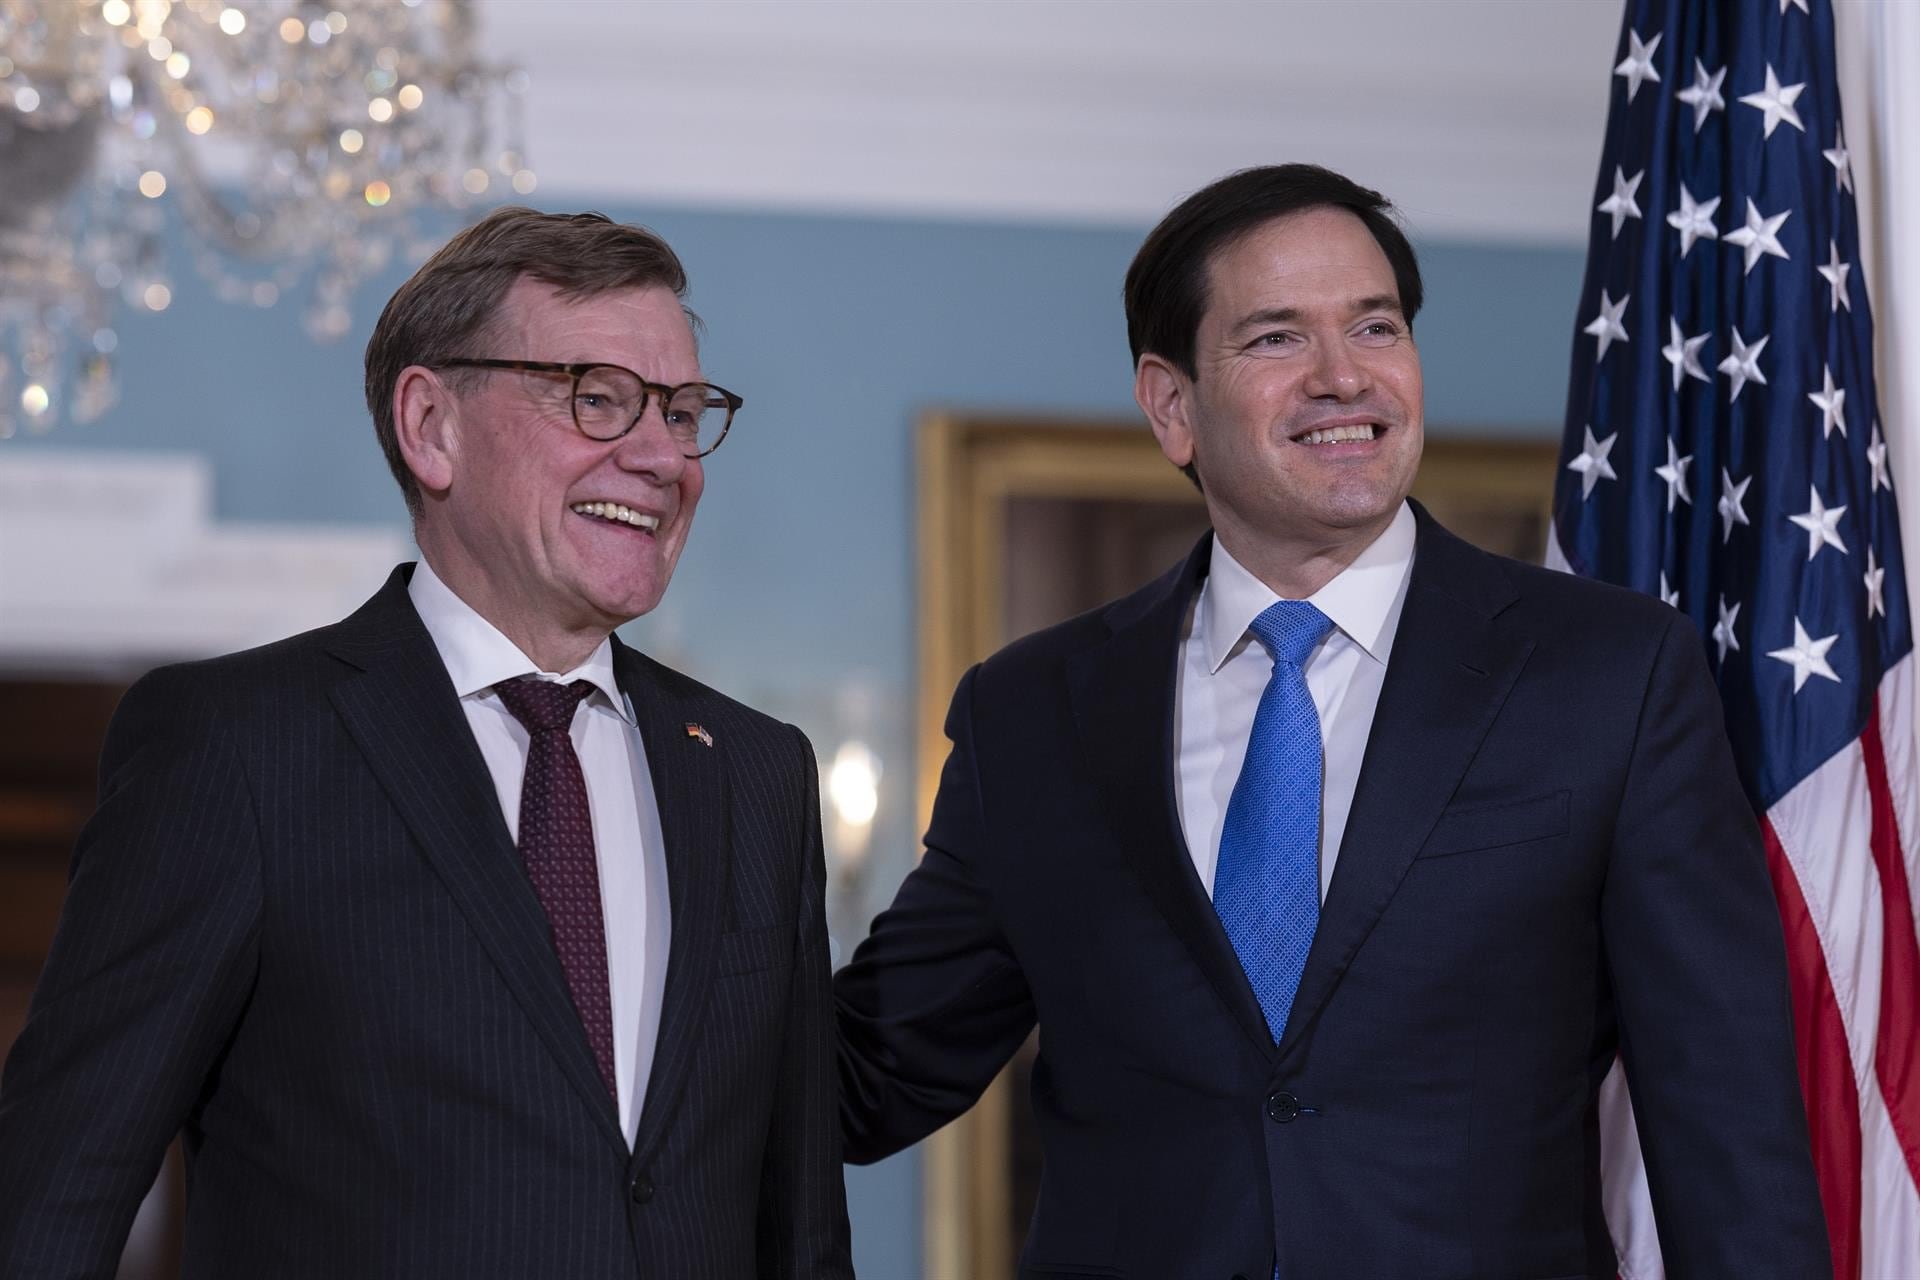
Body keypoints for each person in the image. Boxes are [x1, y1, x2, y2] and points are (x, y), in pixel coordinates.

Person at [835, 165, 1828, 1278]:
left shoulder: (1611, 673)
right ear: (1171, 406)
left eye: (1375, 326)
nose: (1344, 376)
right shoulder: (1031, 710)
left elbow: (1726, 1124)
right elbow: (870, 1076)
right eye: (1276, 338)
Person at [0, 208, 852, 1278]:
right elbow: (53, 1201)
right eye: (598, 397)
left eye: (682, 413)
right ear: (432, 425)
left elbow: (801, 1234)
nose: (659, 456)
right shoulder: (238, 748)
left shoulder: (757, 772)